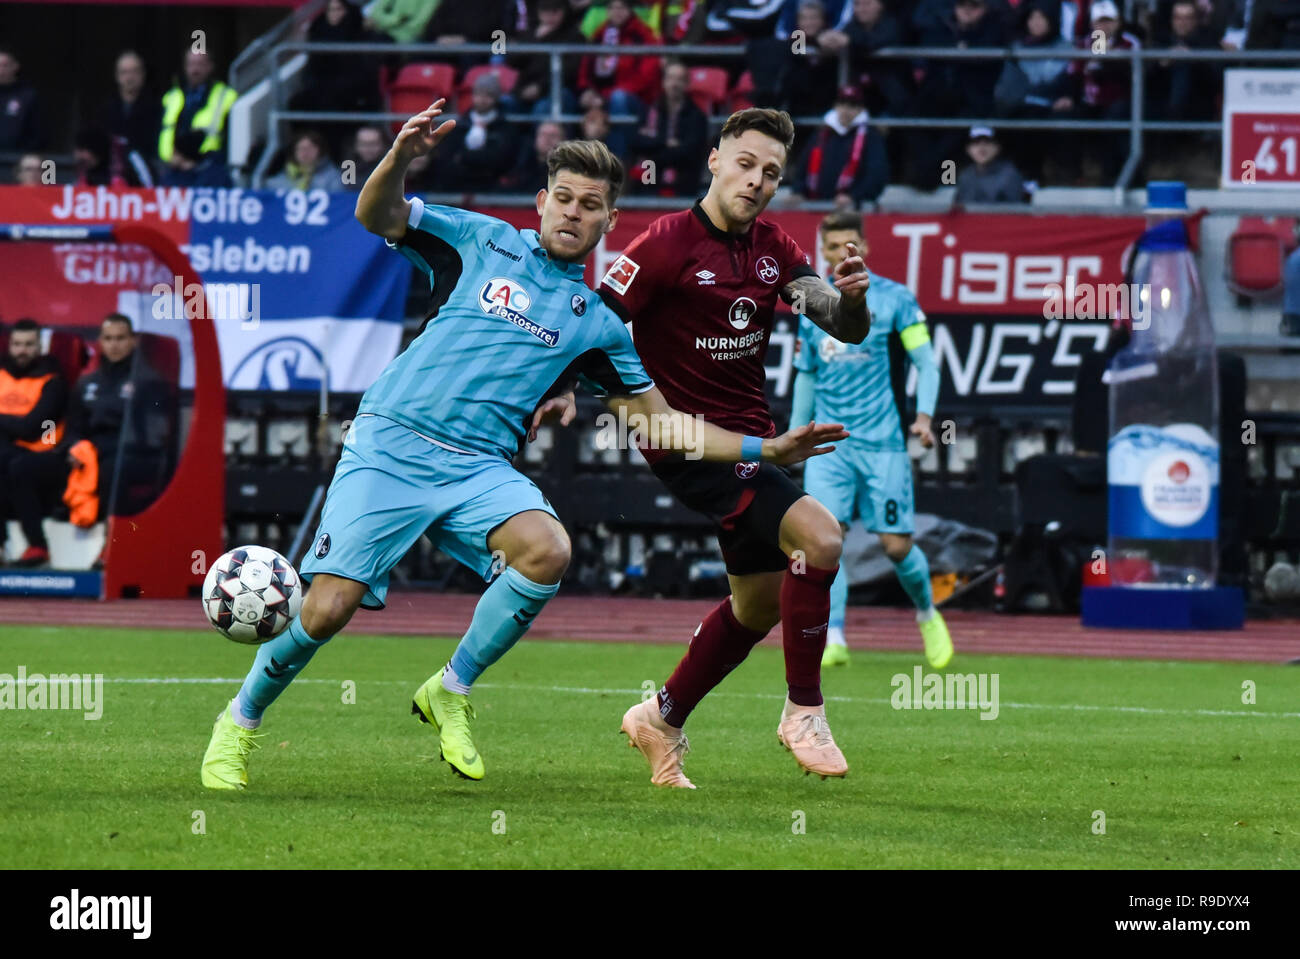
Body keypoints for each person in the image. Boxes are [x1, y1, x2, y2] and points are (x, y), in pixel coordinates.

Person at [199, 100, 844, 790]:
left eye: (590, 205)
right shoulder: (480, 239)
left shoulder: (599, 325)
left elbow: (663, 426)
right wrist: (400, 155)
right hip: (391, 443)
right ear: (541, 203)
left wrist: (765, 449)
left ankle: (451, 686)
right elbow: (376, 216)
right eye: (562, 198)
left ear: (607, 223)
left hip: (478, 467)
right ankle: (238, 720)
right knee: (326, 607)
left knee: (548, 548)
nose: (573, 212)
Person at [593, 108, 872, 788]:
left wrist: (855, 299)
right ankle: (803, 709)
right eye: (745, 163)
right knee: (822, 538)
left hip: (752, 436)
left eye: (771, 172)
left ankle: (661, 716)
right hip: (689, 441)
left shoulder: (777, 249)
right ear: (715, 158)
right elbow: (594, 323)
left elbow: (837, 320)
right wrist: (571, 389)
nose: (756, 180)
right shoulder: (663, 245)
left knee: (757, 604)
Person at [791, 212, 953, 669]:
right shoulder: (809, 302)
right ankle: (834, 636)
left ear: (863, 247)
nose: (843, 252)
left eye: (850, 244)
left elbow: (927, 362)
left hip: (882, 442)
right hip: (828, 444)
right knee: (826, 539)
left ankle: (927, 614)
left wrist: (924, 416)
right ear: (821, 250)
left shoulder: (896, 299)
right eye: (833, 245)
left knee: (895, 545)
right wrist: (796, 434)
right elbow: (806, 374)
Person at [65, 314, 174, 522]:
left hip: (133, 452)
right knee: (38, 464)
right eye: (108, 338)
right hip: (93, 451)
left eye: (120, 338)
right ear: (100, 342)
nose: (114, 345)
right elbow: (73, 426)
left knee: (110, 468)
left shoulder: (148, 381)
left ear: (133, 340)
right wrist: (74, 447)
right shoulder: (87, 382)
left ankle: (109, 532)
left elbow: (155, 435)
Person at [0, 319, 68, 568]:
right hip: (7, 453)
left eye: (29, 344)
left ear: (40, 347)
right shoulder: (1, 376)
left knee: (17, 465)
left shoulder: (53, 382)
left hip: (46, 453)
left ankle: (38, 545)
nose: (22, 350)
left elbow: (33, 428)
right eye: (17, 344)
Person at [792, 83, 889, 207]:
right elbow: (802, 165)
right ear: (835, 106)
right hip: (815, 204)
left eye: (852, 105)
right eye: (842, 104)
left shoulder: (870, 136)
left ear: (861, 109)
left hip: (853, 209)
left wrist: (854, 196)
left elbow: (876, 174)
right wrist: (798, 191)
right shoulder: (822, 133)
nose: (846, 110)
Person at [628, 60, 709, 197]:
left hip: (681, 184)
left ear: (687, 84)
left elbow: (689, 153)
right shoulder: (649, 111)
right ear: (663, 82)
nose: (674, 84)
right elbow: (636, 142)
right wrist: (665, 143)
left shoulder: (697, 116)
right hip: (649, 181)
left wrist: (653, 150)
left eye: (680, 79)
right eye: (670, 78)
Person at [158, 49, 237, 187]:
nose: (195, 69)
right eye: (191, 64)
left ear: (210, 67)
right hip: (172, 167)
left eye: (200, 64)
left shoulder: (225, 96)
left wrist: (197, 162)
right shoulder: (171, 97)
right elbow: (162, 131)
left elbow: (230, 139)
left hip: (210, 169)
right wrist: (175, 159)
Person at [437, 73, 517, 193]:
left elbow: (500, 161)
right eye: (479, 94)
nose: (483, 99)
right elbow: (448, 156)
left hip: (491, 187)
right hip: (457, 186)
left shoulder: (505, 128)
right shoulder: (460, 124)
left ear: (496, 98)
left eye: (488, 95)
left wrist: (464, 157)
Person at [954, 126, 1026, 203]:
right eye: (976, 143)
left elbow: (1015, 211)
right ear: (968, 149)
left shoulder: (1010, 174)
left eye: (987, 142)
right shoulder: (965, 175)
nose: (981, 148)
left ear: (998, 147)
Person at [266, 130, 343, 192]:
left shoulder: (333, 176)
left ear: (320, 150)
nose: (305, 152)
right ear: (294, 152)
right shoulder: (286, 173)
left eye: (310, 148)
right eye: (300, 148)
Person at [503, 120, 567, 191]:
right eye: (543, 134)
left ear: (563, 141)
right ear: (536, 138)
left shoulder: (568, 171)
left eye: (553, 136)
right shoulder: (522, 166)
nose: (547, 139)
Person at [0, 46, 41, 152]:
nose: (1, 70)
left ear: (15, 66)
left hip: (15, 161)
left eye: (4, 65)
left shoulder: (27, 96)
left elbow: (38, 134)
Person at [345, 125, 387, 191]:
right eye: (363, 144)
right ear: (356, 146)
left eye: (373, 144)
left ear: (383, 145)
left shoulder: (391, 166)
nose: (368, 149)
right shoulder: (348, 166)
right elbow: (346, 193)